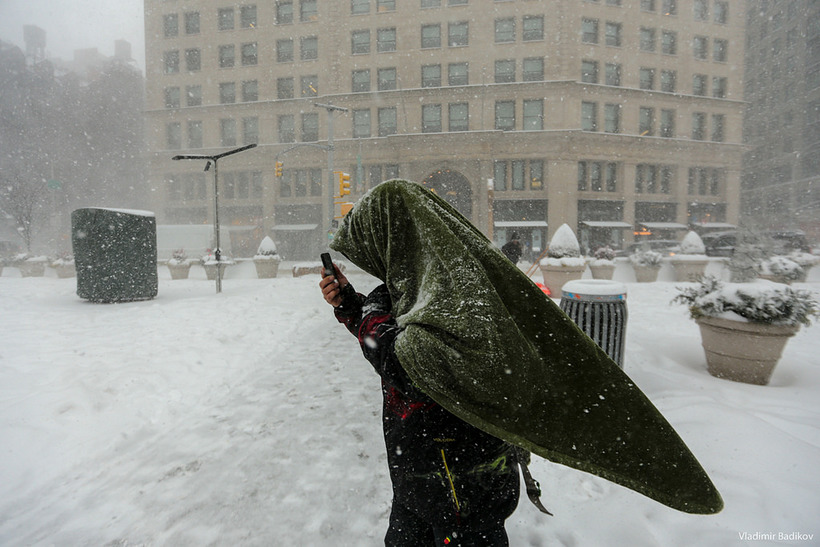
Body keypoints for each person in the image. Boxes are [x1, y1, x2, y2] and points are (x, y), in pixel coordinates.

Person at [320, 266, 520, 546]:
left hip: (465, 491)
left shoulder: (458, 288)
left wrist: (375, 304)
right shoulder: (418, 280)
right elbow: (391, 334)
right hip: (417, 483)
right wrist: (352, 305)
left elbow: (406, 365)